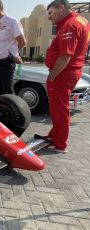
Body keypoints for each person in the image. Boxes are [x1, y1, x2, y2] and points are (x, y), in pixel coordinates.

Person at [39, 0, 90, 153]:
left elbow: (65, 56)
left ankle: (60, 143)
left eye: (50, 13)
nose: (49, 18)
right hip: (69, 72)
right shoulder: (81, 21)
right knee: (57, 108)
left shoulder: (70, 25)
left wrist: (53, 75)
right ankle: (54, 135)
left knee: (59, 109)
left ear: (61, 8)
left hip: (63, 73)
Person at [0, 0, 26, 96]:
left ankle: (10, 111)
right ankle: (0, 110)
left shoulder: (12, 21)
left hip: (6, 63)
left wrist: (13, 55)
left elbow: (22, 41)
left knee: (8, 93)